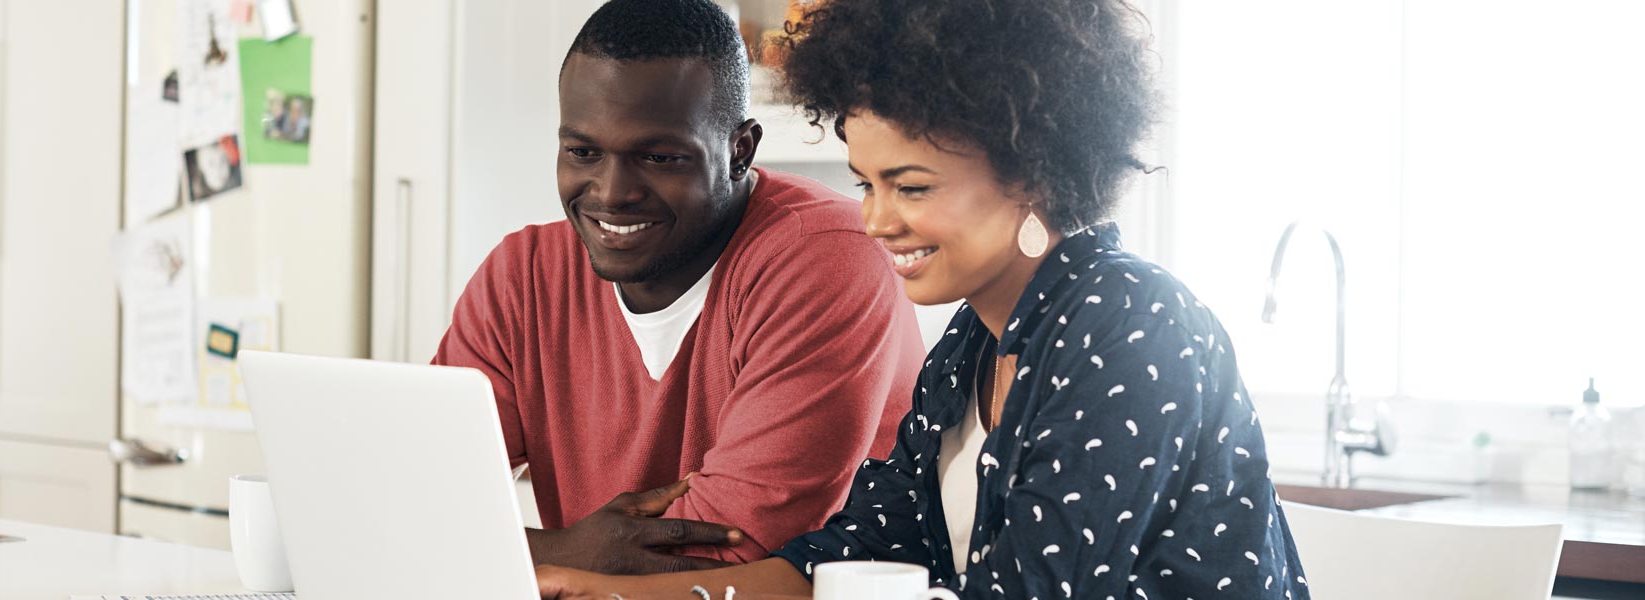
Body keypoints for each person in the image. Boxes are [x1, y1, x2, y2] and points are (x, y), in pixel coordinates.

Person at [533, 0, 1310, 598]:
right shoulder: (969, 349)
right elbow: (839, 563)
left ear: (1032, 172)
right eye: (866, 183)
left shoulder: (1134, 327)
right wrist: (600, 588)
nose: (874, 219)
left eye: (910, 186)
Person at [432, 0, 926, 576]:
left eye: (659, 156)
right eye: (583, 151)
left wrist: (505, 554)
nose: (612, 192)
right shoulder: (522, 276)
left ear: (740, 150)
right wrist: (566, 551)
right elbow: (414, 501)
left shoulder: (826, 256)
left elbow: (734, 551)